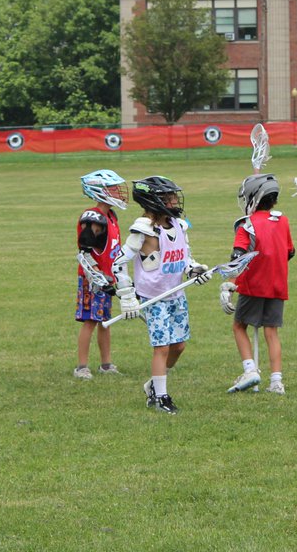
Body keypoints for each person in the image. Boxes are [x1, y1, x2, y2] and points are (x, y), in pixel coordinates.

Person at [112, 176, 210, 414]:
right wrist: (127, 296)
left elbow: (184, 258)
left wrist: (194, 270)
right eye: (170, 198)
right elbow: (118, 263)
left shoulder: (178, 225)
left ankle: (154, 385)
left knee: (179, 347)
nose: (176, 201)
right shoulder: (143, 230)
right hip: (152, 298)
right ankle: (160, 397)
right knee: (162, 347)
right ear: (154, 201)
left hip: (175, 295)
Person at [222, 174, 295, 395]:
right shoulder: (282, 220)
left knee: (239, 326)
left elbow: (238, 258)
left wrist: (229, 284)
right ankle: (276, 381)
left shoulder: (247, 225)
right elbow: (290, 252)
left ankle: (250, 370)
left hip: (253, 284)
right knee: (271, 331)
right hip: (277, 284)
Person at [73, 169, 129, 380]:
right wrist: (97, 276)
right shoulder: (93, 218)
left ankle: (106, 364)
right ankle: (82, 366)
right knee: (90, 321)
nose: (118, 192)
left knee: (105, 321)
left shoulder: (111, 216)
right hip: (93, 280)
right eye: (113, 188)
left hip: (108, 278)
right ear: (100, 191)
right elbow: (85, 253)